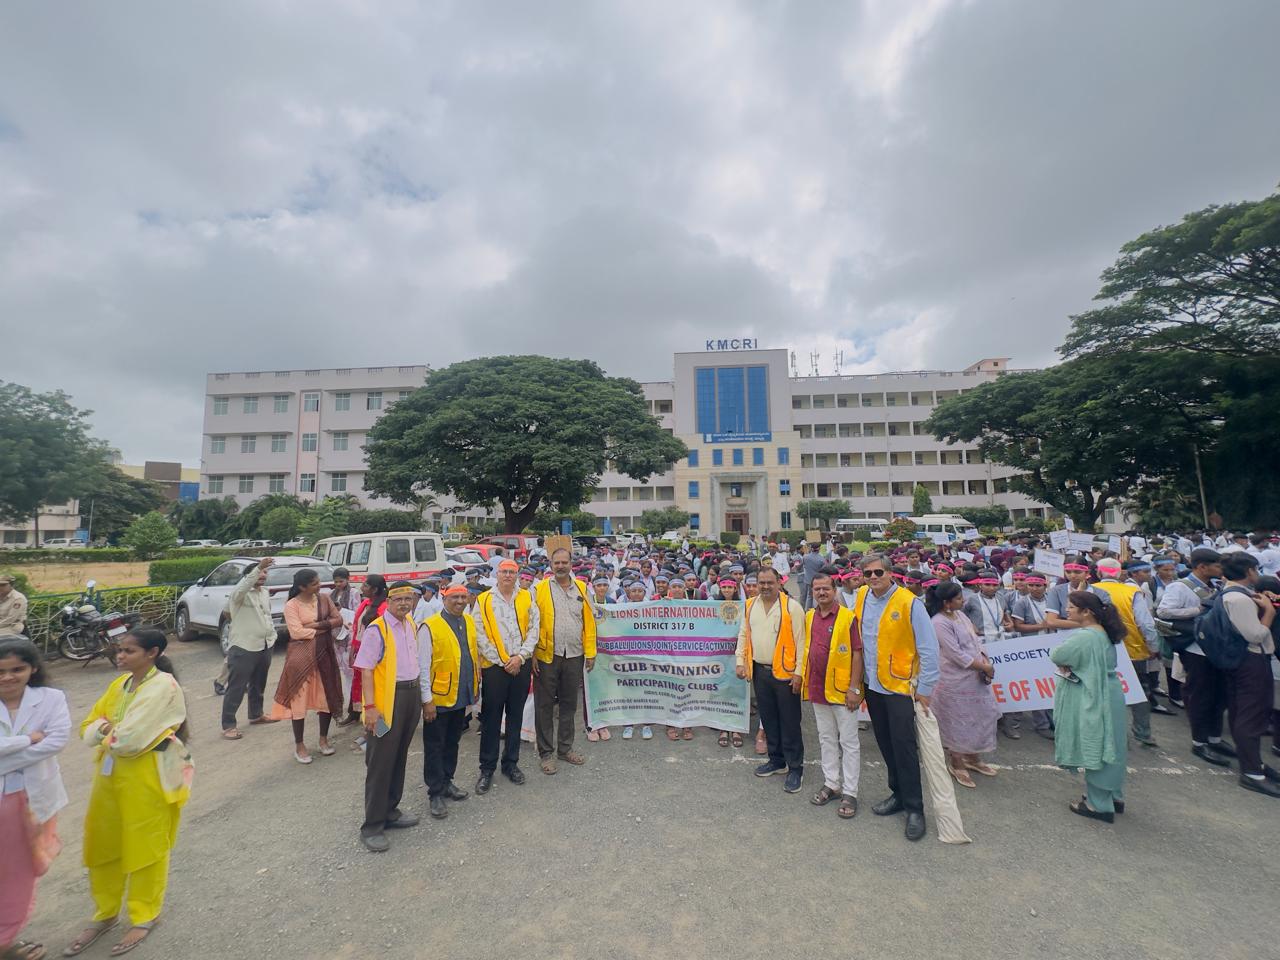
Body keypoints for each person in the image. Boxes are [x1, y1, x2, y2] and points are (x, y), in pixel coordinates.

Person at [64, 629, 192, 957]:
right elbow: (87, 727)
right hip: (108, 776)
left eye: (129, 651)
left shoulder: (163, 686)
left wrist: (106, 730)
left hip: (147, 776)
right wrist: (109, 730)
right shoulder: (119, 685)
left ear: (152, 652)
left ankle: (145, 914)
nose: (120, 656)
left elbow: (129, 742)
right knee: (103, 843)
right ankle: (105, 913)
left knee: (146, 845)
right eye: (119, 650)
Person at [852, 554, 940, 842]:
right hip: (873, 685)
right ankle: (898, 794)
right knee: (886, 744)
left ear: (890, 573)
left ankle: (915, 808)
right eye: (868, 573)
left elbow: (929, 649)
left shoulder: (909, 603)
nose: (873, 578)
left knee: (904, 748)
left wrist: (925, 688)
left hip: (900, 688)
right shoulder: (862, 596)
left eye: (878, 572)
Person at [0, 638, 69, 960]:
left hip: (34, 800)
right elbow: (42, 743)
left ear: (33, 669)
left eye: (17, 669)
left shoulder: (51, 699)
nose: (8, 677)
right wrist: (27, 740)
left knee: (21, 871)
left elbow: (56, 742)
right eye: (0, 671)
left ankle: (5, 936)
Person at [353, 581, 422, 853]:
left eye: (408, 599)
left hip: (410, 697)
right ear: (389, 601)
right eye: (399, 599)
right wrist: (370, 707)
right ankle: (372, 826)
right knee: (380, 761)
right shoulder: (377, 629)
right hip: (385, 705)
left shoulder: (410, 624)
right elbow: (366, 670)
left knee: (399, 756)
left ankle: (391, 810)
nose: (404, 603)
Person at [1050, 592, 1128, 823]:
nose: (1067, 610)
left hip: (1096, 695)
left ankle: (1099, 804)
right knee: (1113, 744)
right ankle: (1113, 796)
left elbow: (1058, 655)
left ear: (1087, 612)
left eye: (1071, 607)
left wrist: (1066, 664)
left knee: (1098, 745)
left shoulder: (1086, 636)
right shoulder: (1102, 632)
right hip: (1110, 692)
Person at [1157, 548, 1235, 766]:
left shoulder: (1215, 585)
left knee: (1219, 694)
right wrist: (1196, 610)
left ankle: (1215, 738)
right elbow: (1164, 611)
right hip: (1195, 649)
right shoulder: (1180, 587)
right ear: (1202, 567)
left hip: (1215, 648)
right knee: (1201, 695)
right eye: (1217, 565)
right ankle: (1199, 742)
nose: (1221, 569)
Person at [735, 566, 806, 794]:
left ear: (779, 583)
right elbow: (743, 634)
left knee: (790, 722)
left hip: (786, 674)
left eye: (769, 583)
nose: (765, 587)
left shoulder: (792, 607)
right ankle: (777, 760)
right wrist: (740, 661)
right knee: (768, 718)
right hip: (760, 671)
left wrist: (799, 672)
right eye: (761, 583)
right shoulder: (750, 605)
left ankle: (795, 768)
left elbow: (802, 642)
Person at [1216, 552, 1280, 797]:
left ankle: (1255, 764)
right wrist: (1269, 613)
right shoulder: (1238, 598)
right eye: (1256, 569)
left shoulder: (1235, 593)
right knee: (1251, 714)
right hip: (1250, 659)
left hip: (1242, 660)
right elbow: (1255, 635)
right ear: (1249, 571)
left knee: (1243, 711)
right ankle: (1252, 772)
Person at [800, 572, 863, 818]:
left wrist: (854, 688)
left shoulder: (848, 617)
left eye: (826, 588)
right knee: (826, 738)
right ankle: (832, 784)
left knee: (848, 742)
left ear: (834, 590)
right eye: (817, 589)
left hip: (843, 691)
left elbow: (857, 653)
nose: (821, 593)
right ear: (812, 592)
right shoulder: (809, 616)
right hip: (818, 688)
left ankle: (850, 792)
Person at [473, 560, 539, 793]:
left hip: (520, 664)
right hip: (495, 667)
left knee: (515, 716)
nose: (508, 575)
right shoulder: (484, 600)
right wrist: (503, 661)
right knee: (491, 718)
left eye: (512, 572)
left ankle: (510, 763)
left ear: (517, 575)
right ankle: (487, 768)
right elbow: (479, 634)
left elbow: (534, 630)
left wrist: (520, 657)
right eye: (504, 572)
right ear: (497, 574)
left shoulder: (527, 597)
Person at [926, 582, 999, 788]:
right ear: (946, 602)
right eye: (958, 598)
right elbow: (955, 654)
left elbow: (975, 641)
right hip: (954, 681)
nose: (963, 600)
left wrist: (984, 660)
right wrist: (983, 667)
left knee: (977, 717)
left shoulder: (960, 616)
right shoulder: (938, 622)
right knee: (956, 721)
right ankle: (957, 762)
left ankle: (973, 758)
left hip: (974, 677)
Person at [531, 549, 597, 775]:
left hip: (575, 654)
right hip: (547, 655)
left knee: (569, 704)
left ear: (571, 564)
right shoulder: (539, 589)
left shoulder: (582, 588)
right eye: (556, 562)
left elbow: (589, 622)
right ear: (550, 564)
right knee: (544, 705)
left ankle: (565, 749)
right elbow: (531, 623)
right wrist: (532, 654)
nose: (560, 566)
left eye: (564, 562)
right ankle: (546, 753)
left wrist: (590, 652)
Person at [419, 585, 481, 819]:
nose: (460, 601)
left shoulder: (468, 621)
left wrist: (475, 689)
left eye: (463, 597)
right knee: (435, 745)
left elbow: (472, 655)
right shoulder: (430, 626)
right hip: (438, 698)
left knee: (453, 742)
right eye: (455, 597)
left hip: (461, 694)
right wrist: (427, 700)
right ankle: (435, 792)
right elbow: (423, 665)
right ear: (444, 598)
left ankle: (447, 782)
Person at [271, 569, 343, 764]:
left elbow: (339, 620)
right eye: (314, 584)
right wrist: (324, 627)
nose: (319, 586)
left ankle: (323, 739)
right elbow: (296, 633)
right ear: (302, 587)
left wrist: (314, 625)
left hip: (324, 656)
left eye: (318, 582)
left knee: (326, 698)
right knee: (299, 703)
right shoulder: (292, 605)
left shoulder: (324, 599)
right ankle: (300, 746)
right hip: (301, 658)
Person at [1093, 558, 1161, 748]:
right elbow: (1146, 624)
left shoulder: (1090, 590)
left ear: (1098, 572)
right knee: (1139, 692)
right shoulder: (1132, 591)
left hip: (1099, 649)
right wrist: (1153, 647)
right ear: (1119, 573)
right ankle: (1143, 733)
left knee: (1102, 693)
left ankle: (1110, 733)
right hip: (1133, 650)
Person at [220, 557, 280, 741]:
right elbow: (228, 611)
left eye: (265, 572)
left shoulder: (264, 592)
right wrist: (259, 566)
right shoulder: (240, 593)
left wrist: (271, 635)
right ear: (249, 576)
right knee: (237, 687)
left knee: (258, 684)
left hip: (265, 644)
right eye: (260, 572)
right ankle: (228, 725)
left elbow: (266, 615)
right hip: (244, 646)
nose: (263, 575)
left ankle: (256, 715)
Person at [327, 567, 362, 726]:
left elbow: (357, 613)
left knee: (353, 670)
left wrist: (342, 610)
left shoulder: (354, 593)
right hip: (337, 636)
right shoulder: (331, 594)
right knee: (345, 672)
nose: (338, 584)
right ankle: (350, 704)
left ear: (348, 579)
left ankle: (355, 705)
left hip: (349, 635)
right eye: (336, 582)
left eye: (341, 581)